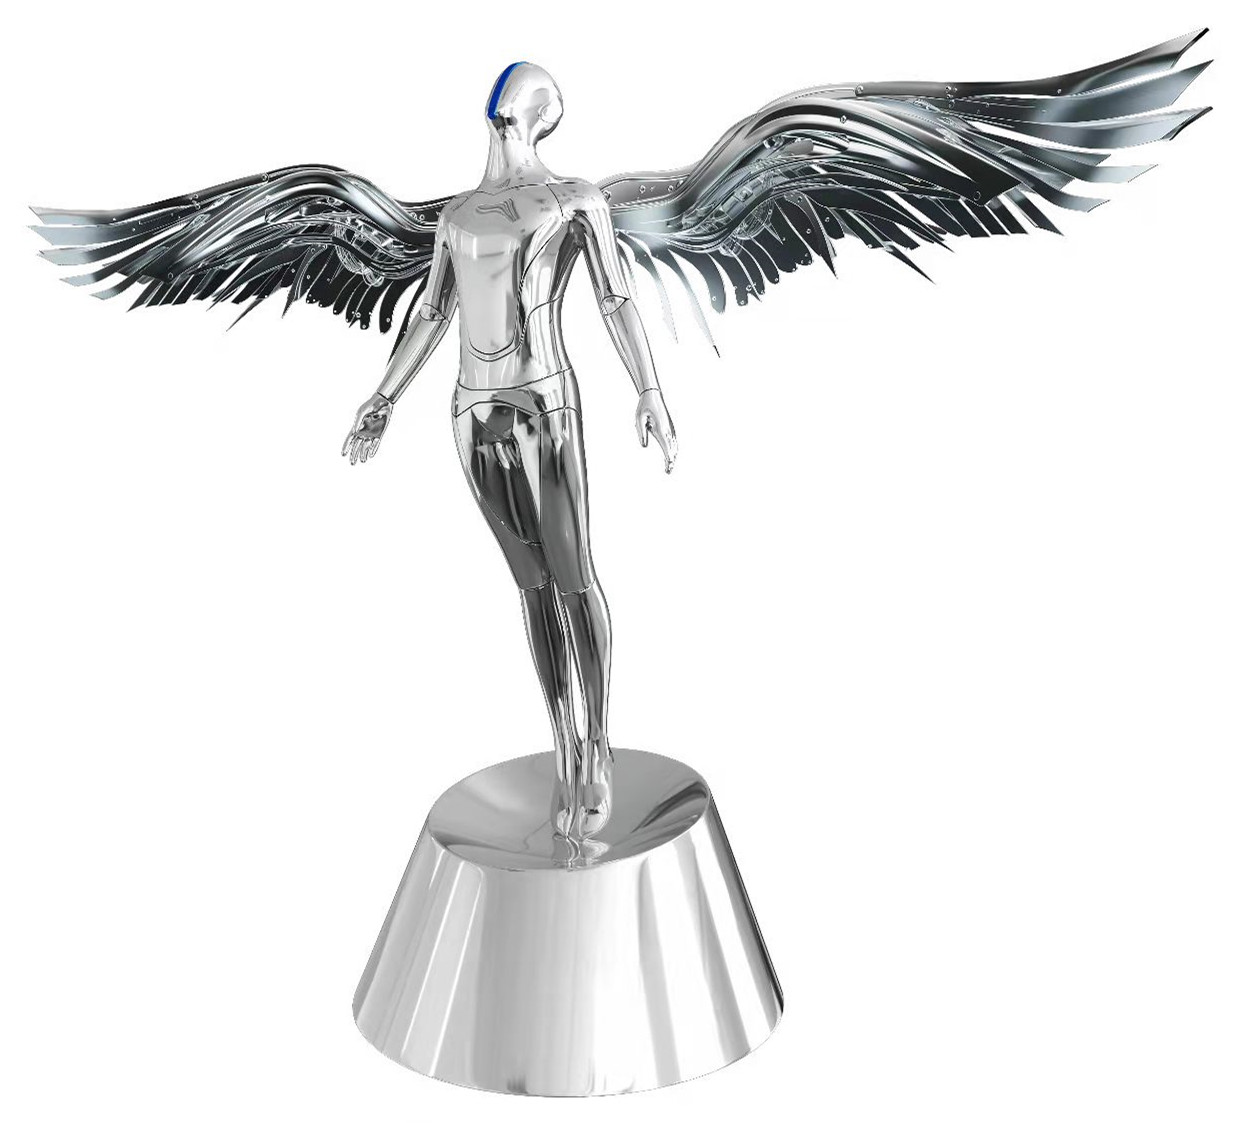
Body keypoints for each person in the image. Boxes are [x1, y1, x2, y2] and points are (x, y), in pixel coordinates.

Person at [341, 62, 677, 838]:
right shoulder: (456, 216)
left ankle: (597, 744)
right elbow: (431, 313)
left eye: (523, 101)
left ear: (535, 115)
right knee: (531, 585)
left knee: (573, 573)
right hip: (471, 409)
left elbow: (615, 297)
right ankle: (565, 743)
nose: (506, 108)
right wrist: (384, 396)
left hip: (543, 400)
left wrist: (650, 388)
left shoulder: (574, 199)